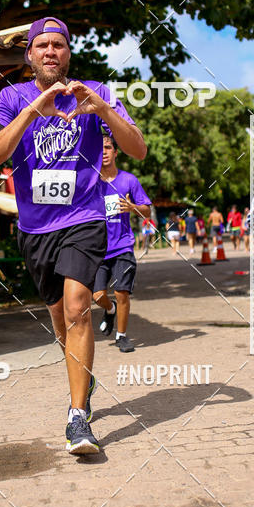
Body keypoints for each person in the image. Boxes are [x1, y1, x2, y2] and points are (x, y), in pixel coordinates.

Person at [0, 16, 146, 455]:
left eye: (59, 45)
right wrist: (33, 111)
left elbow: (138, 148)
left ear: (68, 53)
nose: (51, 51)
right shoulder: (11, 97)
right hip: (35, 228)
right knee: (60, 317)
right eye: (43, 45)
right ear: (29, 55)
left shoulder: (95, 91)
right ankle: (82, 380)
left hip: (84, 218)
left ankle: (77, 417)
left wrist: (103, 110)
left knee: (78, 309)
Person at [93, 134, 152, 353]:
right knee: (97, 295)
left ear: (116, 152)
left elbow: (147, 210)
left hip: (122, 246)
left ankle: (122, 336)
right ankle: (110, 310)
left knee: (122, 291)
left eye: (108, 147)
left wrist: (132, 207)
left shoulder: (129, 180)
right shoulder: (90, 182)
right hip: (98, 249)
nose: (104, 152)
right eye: (100, 148)